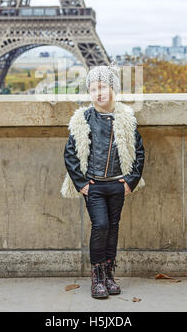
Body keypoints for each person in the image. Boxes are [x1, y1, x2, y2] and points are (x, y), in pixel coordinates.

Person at [61, 62, 145, 299]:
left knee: (113, 227)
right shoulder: (83, 119)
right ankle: (96, 275)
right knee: (101, 226)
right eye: (94, 88)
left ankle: (109, 275)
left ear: (113, 90)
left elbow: (138, 151)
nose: (99, 92)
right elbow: (70, 153)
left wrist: (131, 181)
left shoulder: (126, 119)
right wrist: (82, 184)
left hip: (117, 184)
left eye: (104, 87)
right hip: (94, 185)